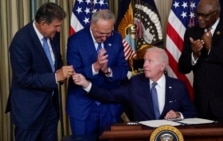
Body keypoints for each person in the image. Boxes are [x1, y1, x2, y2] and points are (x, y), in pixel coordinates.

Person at [5, 2, 74, 141]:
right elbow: (23, 78)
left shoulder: (53, 34)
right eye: (56, 26)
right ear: (43, 23)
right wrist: (55, 77)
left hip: (50, 109)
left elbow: (55, 60)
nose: (59, 30)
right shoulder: (21, 41)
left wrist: (62, 73)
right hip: (29, 112)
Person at [178, 0, 223, 140]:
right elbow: (182, 67)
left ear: (216, 14)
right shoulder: (192, 32)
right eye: (198, 14)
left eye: (205, 15)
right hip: (203, 106)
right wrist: (194, 55)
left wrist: (211, 50)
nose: (200, 18)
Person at [72, 47, 197, 122]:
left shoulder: (178, 86)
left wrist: (178, 115)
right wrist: (86, 84)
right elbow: (109, 95)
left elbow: (192, 112)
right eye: (144, 61)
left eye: (150, 61)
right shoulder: (136, 83)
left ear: (162, 66)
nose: (144, 65)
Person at [66, 9, 129, 138]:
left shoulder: (116, 38)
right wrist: (96, 66)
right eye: (101, 33)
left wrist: (107, 70)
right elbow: (75, 75)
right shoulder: (75, 41)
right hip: (83, 106)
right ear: (92, 25)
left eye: (108, 33)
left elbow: (123, 70)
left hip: (110, 107)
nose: (105, 37)